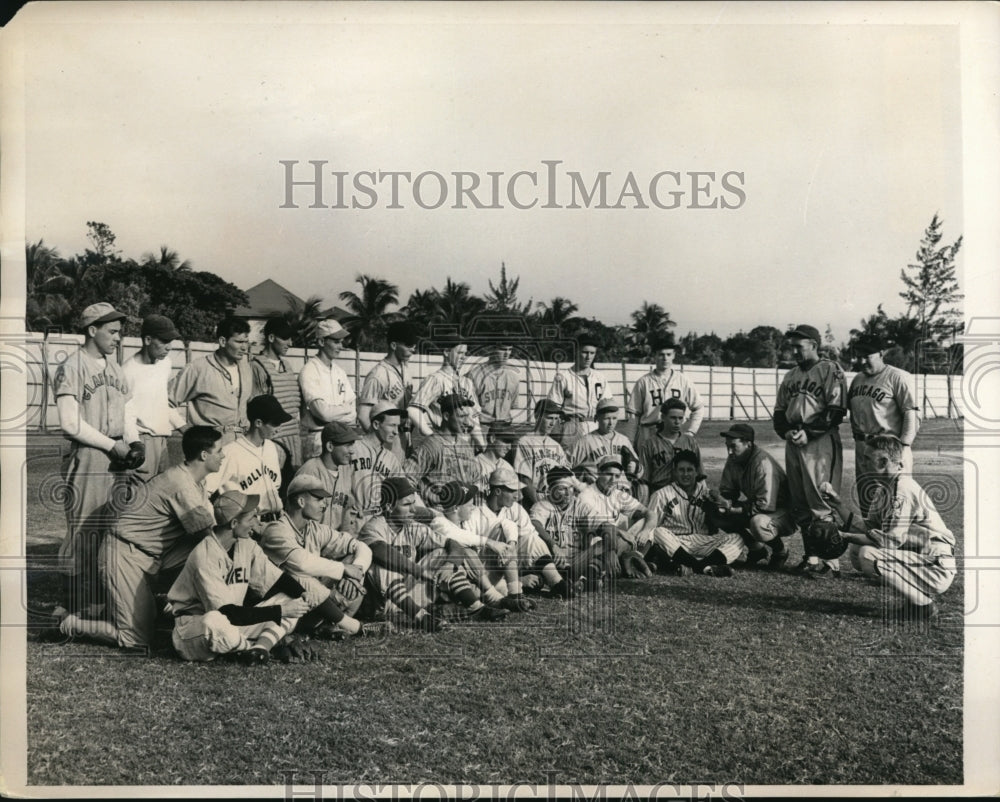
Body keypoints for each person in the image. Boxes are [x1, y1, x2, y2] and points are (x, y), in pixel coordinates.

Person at [47, 426, 222, 650]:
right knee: (136, 640)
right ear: (204, 455)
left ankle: (165, 605)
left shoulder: (195, 481)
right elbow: (207, 535)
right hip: (125, 555)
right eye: (219, 450)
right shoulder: (182, 483)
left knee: (204, 551)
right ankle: (70, 623)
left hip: (150, 555)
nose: (223, 455)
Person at [50, 302, 139, 615]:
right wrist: (112, 446)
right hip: (88, 454)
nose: (118, 338)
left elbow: (127, 410)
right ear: (92, 330)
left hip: (117, 455)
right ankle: (69, 603)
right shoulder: (72, 366)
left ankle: (99, 599)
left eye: (119, 332)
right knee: (84, 529)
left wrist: (135, 441)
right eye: (112, 332)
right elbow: (70, 423)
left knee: (111, 528)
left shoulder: (114, 367)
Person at [166, 491, 325, 664]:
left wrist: (302, 593)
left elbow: (278, 578)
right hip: (195, 628)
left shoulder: (245, 544)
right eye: (252, 518)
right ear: (234, 523)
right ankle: (254, 648)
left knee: (291, 599)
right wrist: (282, 611)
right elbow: (227, 613)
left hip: (234, 623)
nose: (257, 523)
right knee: (216, 622)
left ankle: (259, 649)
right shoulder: (204, 556)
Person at [819, 434, 956, 622]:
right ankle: (913, 598)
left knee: (868, 555)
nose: (863, 462)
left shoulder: (902, 490)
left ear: (883, 461)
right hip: (922, 558)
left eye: (868, 459)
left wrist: (844, 535)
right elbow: (869, 527)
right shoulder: (885, 487)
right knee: (858, 551)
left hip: (936, 565)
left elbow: (890, 542)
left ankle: (923, 605)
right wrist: (838, 505)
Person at [358, 477, 508, 631]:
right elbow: (381, 551)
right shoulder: (373, 527)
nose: (413, 510)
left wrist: (449, 565)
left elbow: (453, 544)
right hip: (379, 602)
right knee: (385, 565)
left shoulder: (412, 527)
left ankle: (476, 608)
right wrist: (420, 571)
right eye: (407, 504)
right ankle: (423, 617)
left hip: (406, 594)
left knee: (441, 553)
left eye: (413, 503)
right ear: (389, 507)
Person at [259, 475, 384, 637]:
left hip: (311, 603)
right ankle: (354, 627)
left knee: (354, 560)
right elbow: (302, 564)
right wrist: (344, 569)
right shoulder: (276, 530)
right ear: (301, 502)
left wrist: (356, 569)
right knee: (301, 578)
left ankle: (325, 625)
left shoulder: (315, 528)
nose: (324, 504)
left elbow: (361, 546)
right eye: (319, 499)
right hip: (279, 606)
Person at [773, 323, 848, 578]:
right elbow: (779, 411)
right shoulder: (791, 375)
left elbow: (836, 410)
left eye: (799, 347)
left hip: (819, 441)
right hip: (794, 440)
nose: (794, 351)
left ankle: (831, 562)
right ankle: (812, 557)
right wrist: (785, 431)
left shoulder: (829, 369)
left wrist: (810, 431)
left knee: (821, 500)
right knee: (800, 502)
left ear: (814, 345)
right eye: (792, 347)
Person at [639, 450, 745, 577]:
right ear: (674, 471)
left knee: (737, 538)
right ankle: (706, 567)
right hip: (676, 542)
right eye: (681, 470)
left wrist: (717, 506)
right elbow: (653, 525)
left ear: (696, 471)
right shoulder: (661, 494)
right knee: (657, 532)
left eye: (689, 470)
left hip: (702, 541)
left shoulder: (707, 493)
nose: (685, 474)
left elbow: (719, 523)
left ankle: (692, 565)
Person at [847, 334, 919, 515]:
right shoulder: (857, 380)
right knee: (868, 502)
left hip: (889, 448)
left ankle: (895, 541)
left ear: (881, 353)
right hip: (863, 447)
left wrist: (903, 447)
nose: (862, 360)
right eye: (859, 355)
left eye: (867, 356)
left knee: (894, 504)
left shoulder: (898, 377)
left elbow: (911, 412)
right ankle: (870, 541)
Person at [714, 423, 795, 568]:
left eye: (733, 446)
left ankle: (780, 551)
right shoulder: (734, 458)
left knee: (758, 524)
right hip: (760, 507)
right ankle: (756, 549)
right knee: (716, 514)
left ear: (748, 444)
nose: (729, 451)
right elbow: (728, 490)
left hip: (783, 513)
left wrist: (732, 509)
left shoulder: (763, 464)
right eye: (727, 446)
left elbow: (764, 505)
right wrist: (722, 502)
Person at [204, 395, 291, 521]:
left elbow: (275, 486)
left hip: (275, 519)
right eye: (275, 424)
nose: (279, 429)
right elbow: (205, 490)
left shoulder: (272, 448)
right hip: (247, 524)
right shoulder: (230, 452)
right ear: (258, 423)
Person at [169, 316, 253, 446]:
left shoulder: (246, 367)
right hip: (209, 447)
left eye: (246, 342)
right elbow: (165, 401)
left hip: (242, 446)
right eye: (239, 342)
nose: (244, 348)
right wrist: (187, 431)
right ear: (223, 341)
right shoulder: (198, 368)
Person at [122, 314, 185, 480]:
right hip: (142, 441)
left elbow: (162, 402)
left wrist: (184, 427)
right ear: (147, 340)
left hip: (163, 441)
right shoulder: (127, 371)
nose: (169, 347)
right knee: (139, 498)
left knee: (160, 496)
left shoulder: (165, 363)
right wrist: (135, 444)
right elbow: (126, 415)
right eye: (164, 341)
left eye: (171, 341)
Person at [529, 466, 615, 589]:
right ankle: (586, 580)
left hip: (577, 560)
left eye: (570, 487)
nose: (568, 492)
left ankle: (587, 578)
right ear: (551, 490)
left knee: (605, 542)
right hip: (554, 563)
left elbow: (605, 526)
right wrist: (553, 545)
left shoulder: (579, 504)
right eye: (562, 489)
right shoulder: (543, 505)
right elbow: (534, 523)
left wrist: (611, 551)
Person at [626, 334, 705, 452]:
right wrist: (629, 442)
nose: (665, 358)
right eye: (661, 354)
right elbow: (634, 416)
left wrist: (690, 432)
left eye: (668, 354)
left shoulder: (683, 380)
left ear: (673, 355)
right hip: (648, 433)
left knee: (675, 468)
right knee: (647, 469)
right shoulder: (644, 382)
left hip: (675, 435)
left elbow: (698, 407)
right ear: (654, 356)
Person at [404, 393, 484, 504]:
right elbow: (407, 480)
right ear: (446, 416)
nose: (467, 422)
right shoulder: (431, 446)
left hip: (463, 513)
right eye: (461, 417)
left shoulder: (466, 447)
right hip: (439, 512)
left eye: (467, 416)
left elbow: (477, 480)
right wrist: (425, 509)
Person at [408, 334, 484, 449]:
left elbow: (474, 418)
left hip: (464, 444)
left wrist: (481, 445)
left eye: (465, 353)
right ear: (446, 352)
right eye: (459, 353)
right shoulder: (436, 379)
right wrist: (431, 435)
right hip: (444, 441)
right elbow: (413, 410)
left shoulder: (467, 382)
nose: (463, 357)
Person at [358, 321, 420, 460]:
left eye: (413, 346)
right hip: (388, 438)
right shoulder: (378, 375)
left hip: (405, 435)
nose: (412, 350)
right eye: (408, 345)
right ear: (393, 345)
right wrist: (378, 443)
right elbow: (363, 415)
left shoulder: (405, 370)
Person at [251, 316, 304, 476]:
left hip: (293, 439)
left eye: (291, 338)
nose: (290, 343)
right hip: (272, 440)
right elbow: (256, 409)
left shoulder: (287, 366)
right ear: (271, 338)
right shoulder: (257, 366)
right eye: (285, 338)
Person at [299, 318, 357, 460]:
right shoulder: (310, 370)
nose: (340, 346)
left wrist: (336, 411)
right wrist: (344, 408)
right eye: (336, 341)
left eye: (341, 342)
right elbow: (323, 413)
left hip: (341, 439)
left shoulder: (340, 372)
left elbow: (353, 412)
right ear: (321, 342)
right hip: (318, 440)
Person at [546, 335, 612, 451]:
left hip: (596, 425)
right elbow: (553, 407)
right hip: (572, 426)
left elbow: (607, 405)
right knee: (571, 463)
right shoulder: (563, 377)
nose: (588, 357)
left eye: (592, 353)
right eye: (585, 352)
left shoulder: (600, 377)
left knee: (597, 463)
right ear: (576, 352)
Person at [294, 421, 363, 530]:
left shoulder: (346, 469)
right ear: (330, 446)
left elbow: (346, 511)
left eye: (352, 445)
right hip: (312, 541)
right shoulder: (309, 472)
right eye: (347, 445)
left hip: (335, 540)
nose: (352, 451)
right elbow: (297, 519)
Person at [567, 397, 642, 485]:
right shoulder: (586, 441)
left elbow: (640, 470)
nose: (611, 423)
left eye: (614, 418)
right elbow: (564, 465)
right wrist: (578, 484)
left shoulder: (623, 440)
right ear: (597, 418)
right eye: (607, 418)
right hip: (596, 492)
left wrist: (636, 468)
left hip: (621, 491)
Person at [636, 398, 701, 500]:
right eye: (673, 418)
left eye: (680, 418)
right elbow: (644, 480)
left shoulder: (690, 442)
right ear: (663, 417)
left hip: (686, 495)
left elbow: (700, 475)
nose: (677, 422)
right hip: (659, 494)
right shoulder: (649, 444)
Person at [351, 399, 405, 519]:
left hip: (379, 520)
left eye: (398, 426)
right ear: (376, 424)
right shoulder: (352, 449)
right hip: (351, 518)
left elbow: (403, 492)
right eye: (392, 425)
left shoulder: (391, 459)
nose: (396, 432)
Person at [513, 399, 571, 508]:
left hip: (555, 499)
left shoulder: (557, 446)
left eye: (555, 419)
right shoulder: (525, 442)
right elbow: (524, 479)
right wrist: (539, 506)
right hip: (533, 499)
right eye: (549, 418)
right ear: (537, 416)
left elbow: (564, 478)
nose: (552, 423)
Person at [464, 341, 522, 426]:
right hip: (482, 425)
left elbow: (512, 405)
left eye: (510, 349)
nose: (507, 354)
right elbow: (468, 409)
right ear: (491, 349)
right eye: (502, 349)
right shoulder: (474, 375)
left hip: (505, 425)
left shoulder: (513, 377)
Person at [474, 421, 519, 495]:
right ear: (492, 439)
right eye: (506, 441)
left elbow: (516, 496)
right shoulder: (474, 464)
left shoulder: (508, 468)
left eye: (511, 442)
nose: (509, 447)